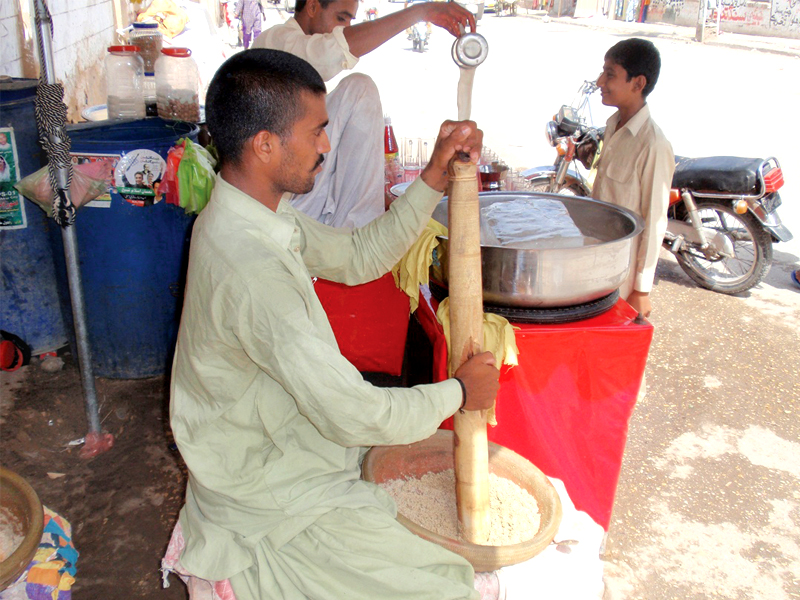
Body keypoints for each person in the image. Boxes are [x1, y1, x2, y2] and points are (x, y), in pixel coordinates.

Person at [169, 48, 501, 600]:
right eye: (317, 131)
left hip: (285, 444)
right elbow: (353, 414)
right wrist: (459, 392)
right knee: (449, 586)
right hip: (270, 486)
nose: (327, 145)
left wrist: (434, 178)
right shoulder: (251, 268)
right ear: (265, 144)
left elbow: (358, 256)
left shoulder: (252, 211)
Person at [253, 0, 476, 229]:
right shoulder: (276, 40)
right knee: (360, 89)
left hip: (303, 203)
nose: (343, 29)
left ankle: (361, 236)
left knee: (358, 91)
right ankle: (362, 239)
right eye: (341, 18)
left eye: (350, 21)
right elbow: (327, 53)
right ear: (312, 7)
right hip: (276, 204)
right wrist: (420, 12)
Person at [591, 38, 675, 318]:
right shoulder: (613, 126)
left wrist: (641, 290)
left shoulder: (653, 144)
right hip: (597, 261)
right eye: (603, 71)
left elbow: (654, 220)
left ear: (638, 84)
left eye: (610, 74)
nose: (600, 80)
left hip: (623, 276)